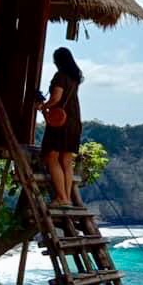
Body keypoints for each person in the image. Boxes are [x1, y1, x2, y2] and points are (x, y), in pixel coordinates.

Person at [37, 47, 83, 206]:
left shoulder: (60, 76)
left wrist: (43, 106)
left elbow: (56, 98)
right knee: (67, 161)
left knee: (52, 157)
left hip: (61, 123)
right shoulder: (74, 78)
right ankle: (67, 198)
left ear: (58, 61)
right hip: (74, 122)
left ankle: (61, 198)